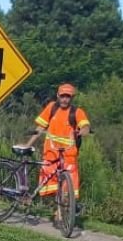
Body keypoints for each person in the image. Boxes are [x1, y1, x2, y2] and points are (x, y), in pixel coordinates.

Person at [19, 82, 92, 220]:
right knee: (52, 187)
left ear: (72, 98)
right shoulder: (52, 108)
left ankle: (62, 212)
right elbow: (40, 128)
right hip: (51, 154)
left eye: (68, 97)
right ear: (58, 96)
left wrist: (82, 132)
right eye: (62, 96)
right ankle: (58, 210)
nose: (65, 99)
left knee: (67, 190)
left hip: (69, 157)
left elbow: (85, 126)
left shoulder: (76, 112)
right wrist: (28, 144)